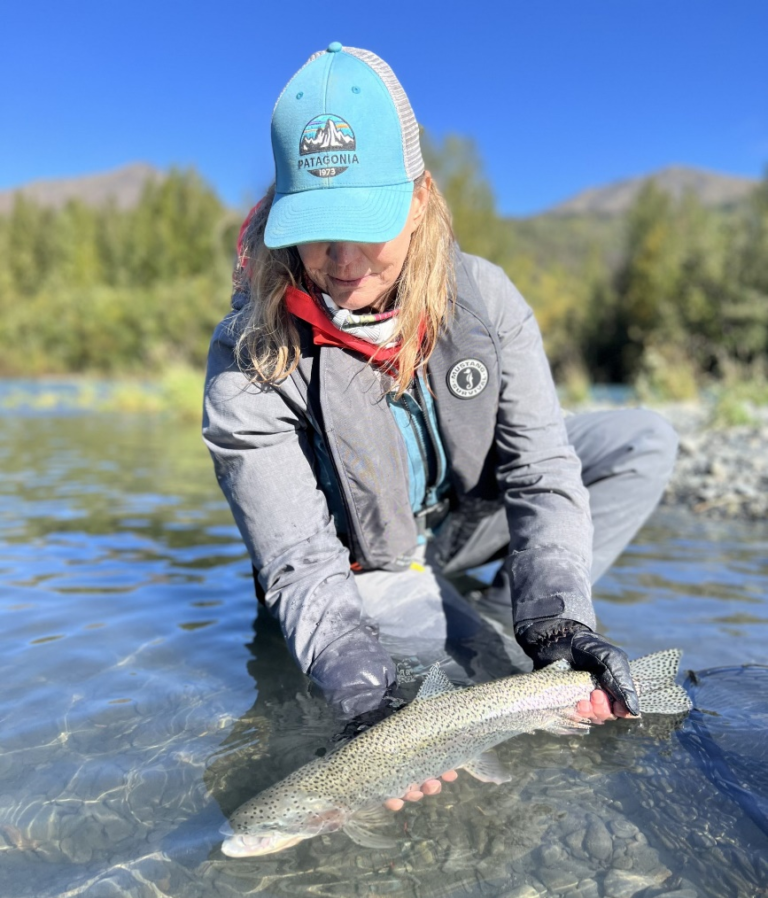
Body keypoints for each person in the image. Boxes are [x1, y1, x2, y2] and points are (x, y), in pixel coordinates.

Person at [202, 43, 678, 802]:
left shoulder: (484, 298)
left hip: (458, 521)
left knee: (642, 441)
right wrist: (364, 699)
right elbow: (296, 560)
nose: (342, 260)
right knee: (464, 675)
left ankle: (507, 607)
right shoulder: (249, 355)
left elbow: (542, 472)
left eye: (366, 223)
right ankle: (460, 634)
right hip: (361, 563)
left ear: (418, 198)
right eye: (318, 228)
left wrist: (557, 621)